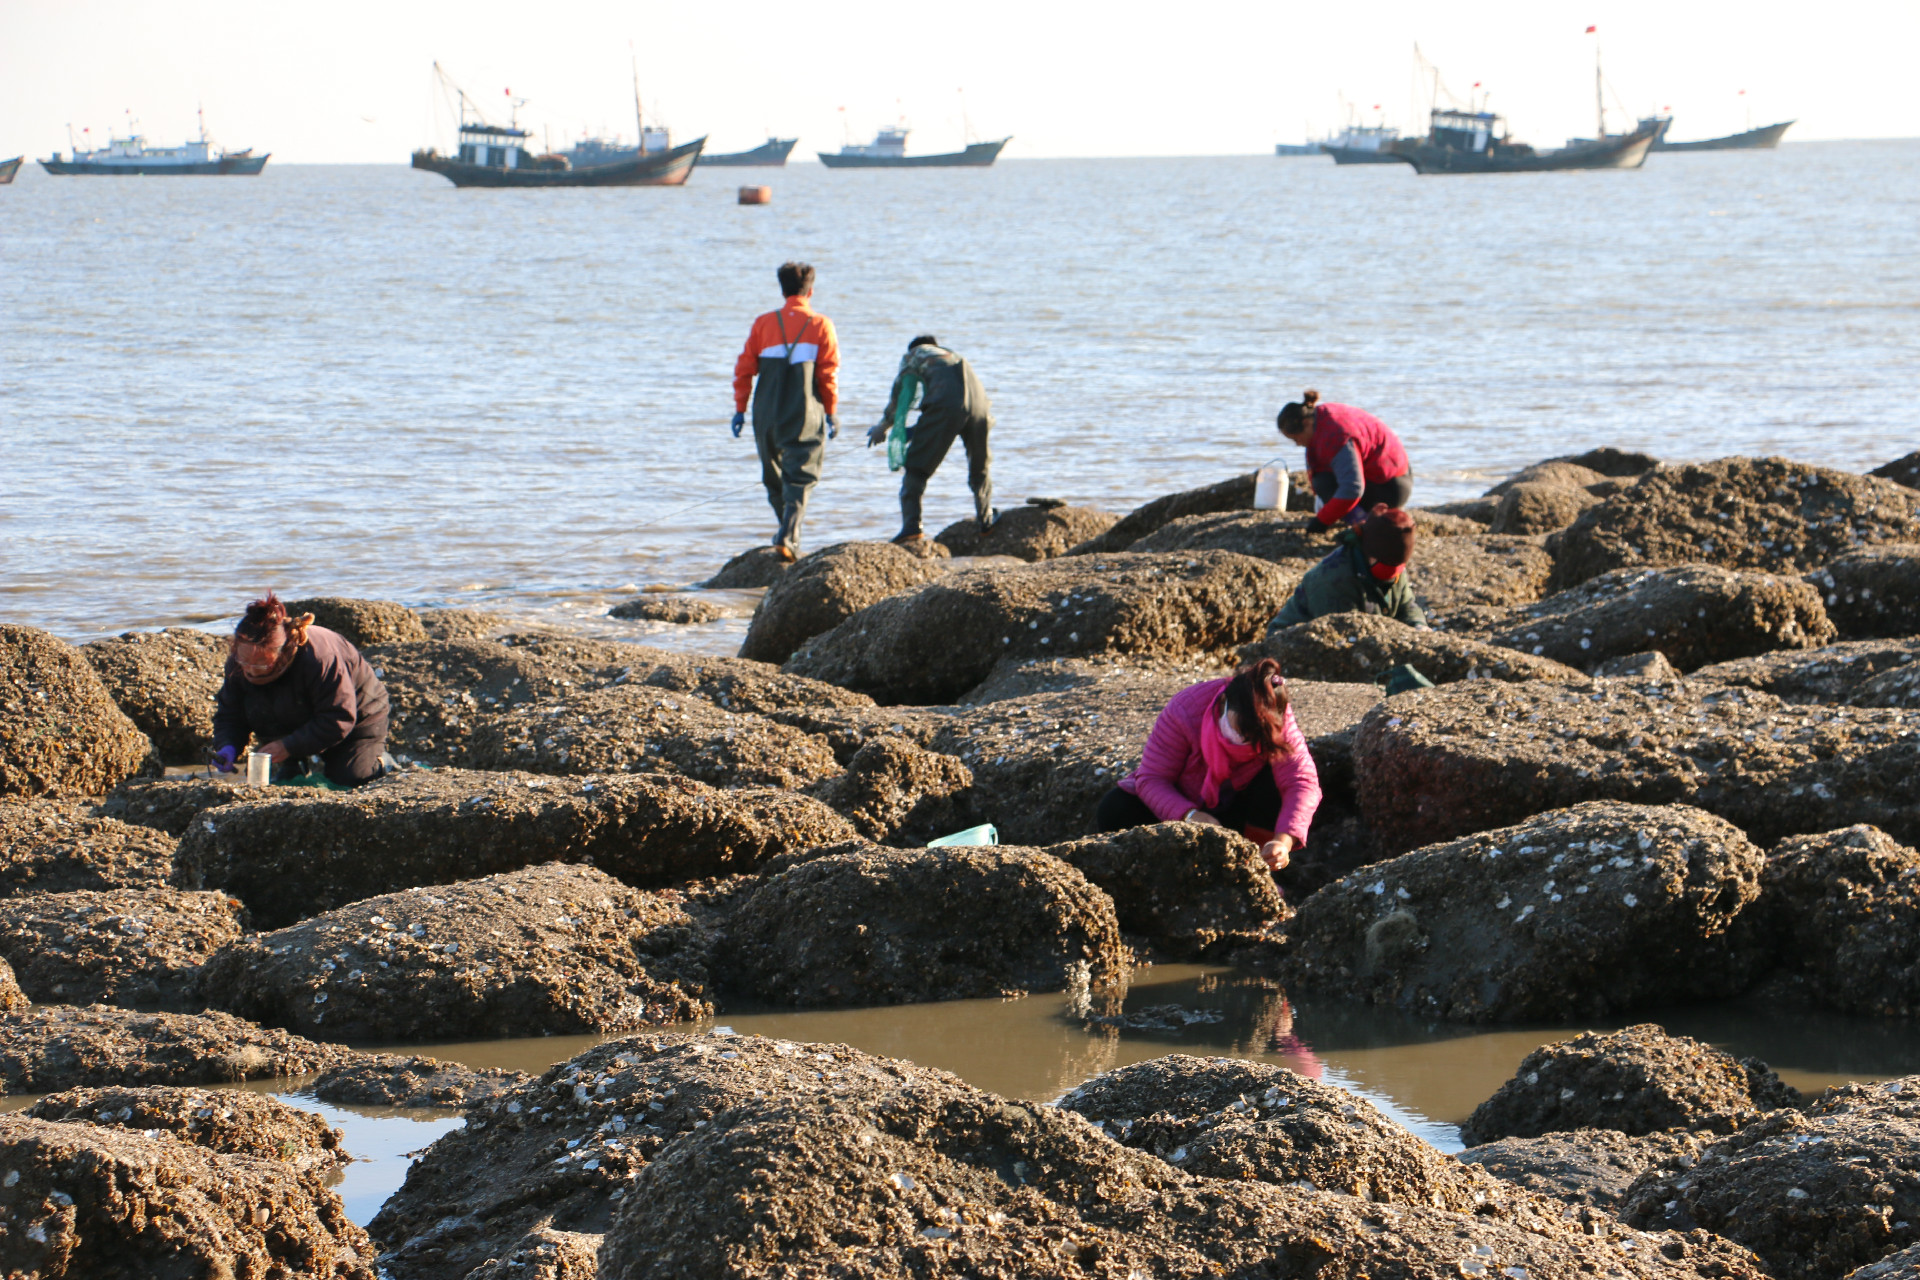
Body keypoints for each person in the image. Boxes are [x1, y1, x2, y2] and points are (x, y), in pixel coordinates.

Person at [1094, 658, 1320, 873]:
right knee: (1115, 809)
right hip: (1185, 801)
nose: (1244, 740)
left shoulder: (1277, 720)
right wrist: (1190, 816)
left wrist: (1283, 840)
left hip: (1238, 807)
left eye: (1254, 737)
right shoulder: (1185, 709)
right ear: (1222, 705)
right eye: (1240, 730)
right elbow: (1151, 778)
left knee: (1276, 783)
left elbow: (1303, 782)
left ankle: (1259, 866)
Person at [209, 593, 391, 788]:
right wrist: (227, 746)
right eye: (245, 662)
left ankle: (382, 761)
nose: (251, 670)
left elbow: (339, 717)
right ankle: (295, 761)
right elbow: (230, 713)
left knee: (350, 779)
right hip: (293, 710)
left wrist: (288, 746)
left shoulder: (320, 659)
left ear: (282, 652)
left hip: (357, 718)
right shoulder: (240, 663)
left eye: (262, 665)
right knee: (281, 779)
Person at [732, 261, 841, 561]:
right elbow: (828, 375)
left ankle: (785, 531)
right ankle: (789, 535)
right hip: (805, 410)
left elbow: (743, 370)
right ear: (811, 290)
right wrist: (831, 413)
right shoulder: (821, 325)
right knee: (802, 475)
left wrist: (740, 409)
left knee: (773, 475)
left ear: (782, 289)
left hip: (765, 412)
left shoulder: (763, 324)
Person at [865, 335, 996, 543]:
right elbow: (955, 411)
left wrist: (883, 427)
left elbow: (901, 393)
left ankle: (912, 528)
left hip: (946, 405)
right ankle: (986, 522)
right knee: (979, 468)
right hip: (980, 408)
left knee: (916, 468)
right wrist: (913, 431)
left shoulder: (914, 355)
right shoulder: (953, 356)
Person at [1268, 503, 1427, 631]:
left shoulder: (1394, 566)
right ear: (1367, 552)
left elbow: (1407, 605)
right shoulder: (1334, 578)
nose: (1391, 576)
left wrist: (1419, 626)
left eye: (1397, 569)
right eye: (1385, 568)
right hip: (1293, 642)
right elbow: (1343, 633)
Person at [1277, 389, 1413, 528]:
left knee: (1324, 484)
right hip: (1395, 475)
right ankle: (1356, 517)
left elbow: (1353, 487)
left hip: (1391, 486)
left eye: (1296, 439)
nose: (1298, 444)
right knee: (1321, 480)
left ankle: (1361, 522)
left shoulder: (1336, 437)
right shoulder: (1321, 416)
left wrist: (1323, 521)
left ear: (1306, 423)